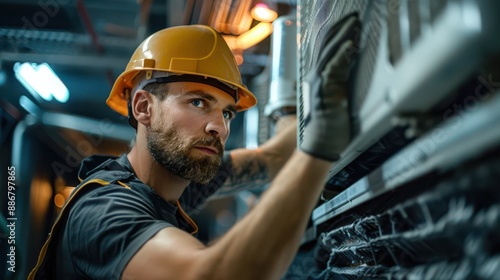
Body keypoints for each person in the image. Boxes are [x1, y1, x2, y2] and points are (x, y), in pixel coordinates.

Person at [29, 15, 359, 280]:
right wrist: (317, 149)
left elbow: (271, 158)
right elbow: (215, 273)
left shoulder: (174, 185)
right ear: (144, 108)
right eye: (199, 102)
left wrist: (307, 105)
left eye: (227, 111)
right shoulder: (103, 213)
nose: (221, 126)